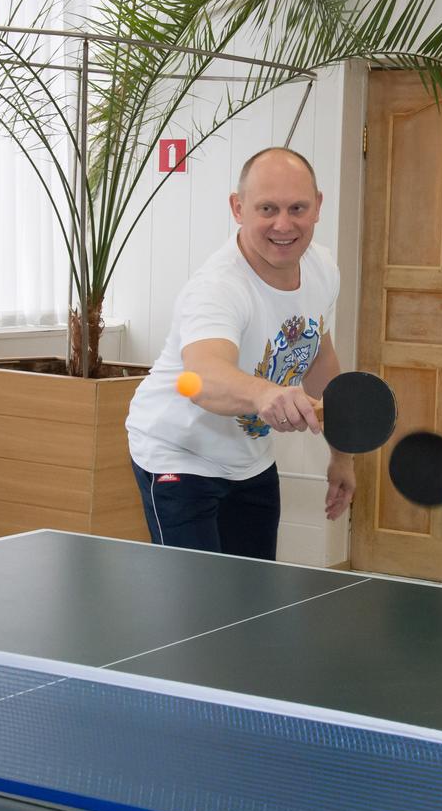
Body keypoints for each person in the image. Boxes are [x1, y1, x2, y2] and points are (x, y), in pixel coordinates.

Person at [125, 147, 354, 559]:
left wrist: (342, 456)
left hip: (251, 460)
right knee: (196, 608)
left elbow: (320, 360)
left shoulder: (322, 268)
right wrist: (266, 394)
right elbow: (203, 377)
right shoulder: (218, 287)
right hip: (178, 454)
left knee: (252, 599)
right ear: (238, 207)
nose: (283, 225)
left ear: (317, 207)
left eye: (297, 208)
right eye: (267, 208)